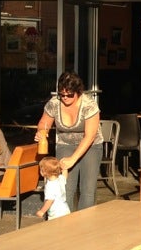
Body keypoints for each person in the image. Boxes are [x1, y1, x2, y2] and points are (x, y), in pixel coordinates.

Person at [35, 71, 103, 211]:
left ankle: (85, 222)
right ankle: (65, 220)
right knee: (65, 187)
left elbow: (90, 136)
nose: (65, 97)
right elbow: (43, 124)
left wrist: (73, 159)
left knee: (87, 190)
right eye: (62, 94)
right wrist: (41, 133)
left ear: (78, 92)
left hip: (90, 145)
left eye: (70, 95)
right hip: (65, 144)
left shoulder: (89, 105)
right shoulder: (54, 103)